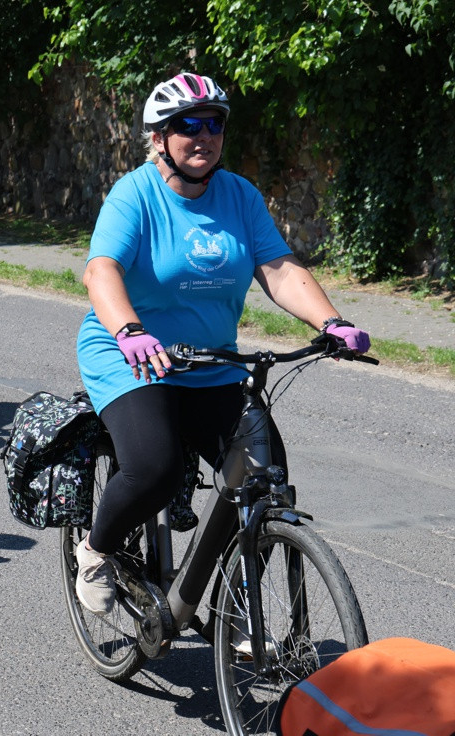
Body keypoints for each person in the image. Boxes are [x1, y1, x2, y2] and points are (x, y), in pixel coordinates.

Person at [73, 72, 372, 614]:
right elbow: (101, 271)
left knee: (266, 480)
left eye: (214, 124)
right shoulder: (135, 195)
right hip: (132, 358)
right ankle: (95, 550)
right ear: (159, 137)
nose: (203, 135)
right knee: (154, 469)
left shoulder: (238, 194)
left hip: (212, 363)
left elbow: (278, 269)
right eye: (187, 124)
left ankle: (236, 614)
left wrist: (331, 322)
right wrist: (129, 330)